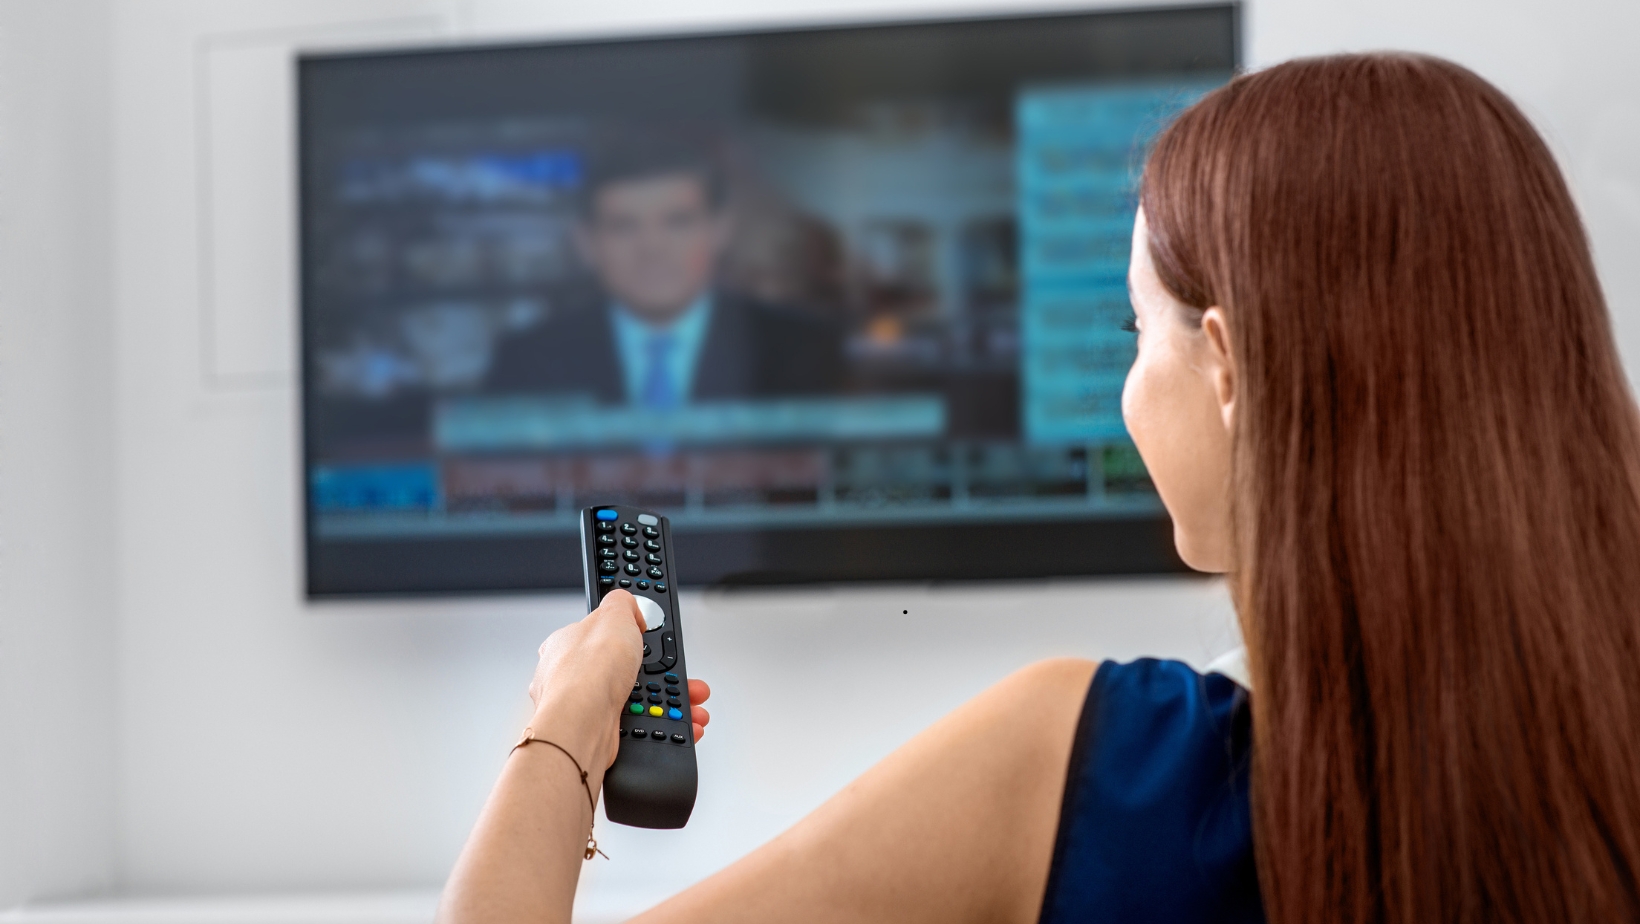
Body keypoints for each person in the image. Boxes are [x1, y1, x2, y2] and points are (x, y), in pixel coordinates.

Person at [438, 54, 1640, 924]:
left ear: (1224, 368)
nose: (1125, 384)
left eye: (1136, 329)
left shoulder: (1088, 764)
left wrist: (562, 731)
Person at [485, 138, 846, 405]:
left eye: (677, 222)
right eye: (624, 226)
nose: (652, 249)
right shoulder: (526, 360)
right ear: (586, 244)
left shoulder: (802, 348)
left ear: (720, 231)